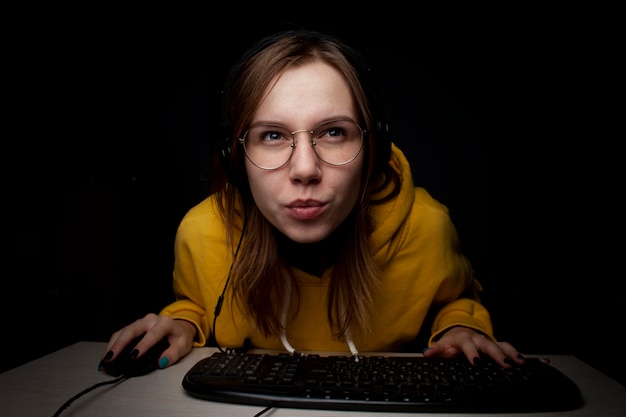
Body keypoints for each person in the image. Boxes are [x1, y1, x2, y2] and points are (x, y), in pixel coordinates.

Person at [100, 29, 525, 372]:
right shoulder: (201, 231)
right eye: (272, 135)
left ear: (372, 145)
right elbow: (197, 301)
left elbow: (455, 299)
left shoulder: (427, 227)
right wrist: (182, 321)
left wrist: (460, 327)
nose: (305, 169)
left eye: (334, 132)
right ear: (236, 157)